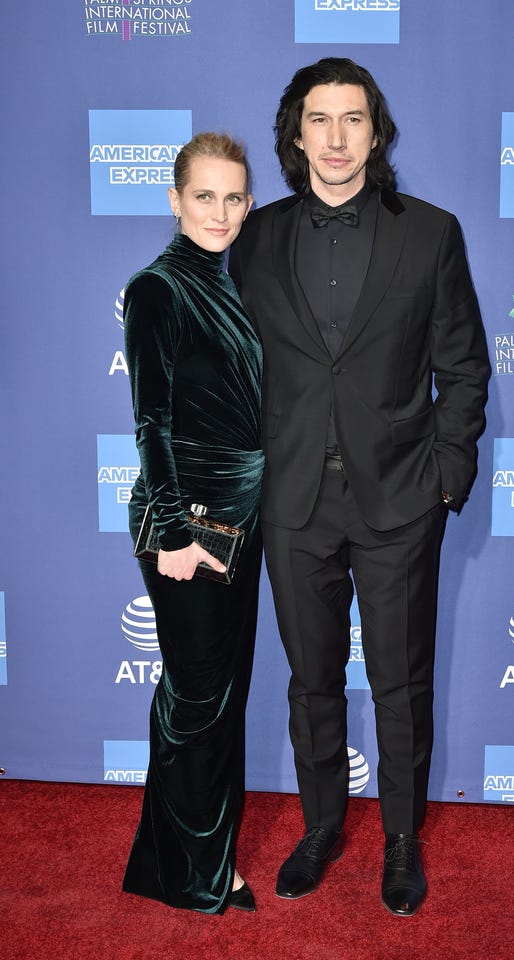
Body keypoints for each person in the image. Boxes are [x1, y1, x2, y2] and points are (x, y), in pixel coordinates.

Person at [229, 58, 490, 917]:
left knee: (400, 683)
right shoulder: (255, 239)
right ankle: (319, 827)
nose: (336, 138)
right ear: (294, 133)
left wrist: (447, 475)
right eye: (319, 120)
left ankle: (403, 840)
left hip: (399, 499)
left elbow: (463, 366)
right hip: (293, 502)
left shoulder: (431, 233)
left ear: (375, 132)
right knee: (312, 683)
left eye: (352, 119)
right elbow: (228, 374)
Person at [121, 132, 264, 914]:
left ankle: (169, 861)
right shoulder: (158, 290)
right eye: (203, 195)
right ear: (174, 200)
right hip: (189, 525)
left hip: (238, 520)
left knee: (206, 699)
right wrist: (174, 535)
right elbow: (152, 426)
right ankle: (200, 875)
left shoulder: (228, 282)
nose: (219, 211)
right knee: (201, 701)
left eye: (233, 197)